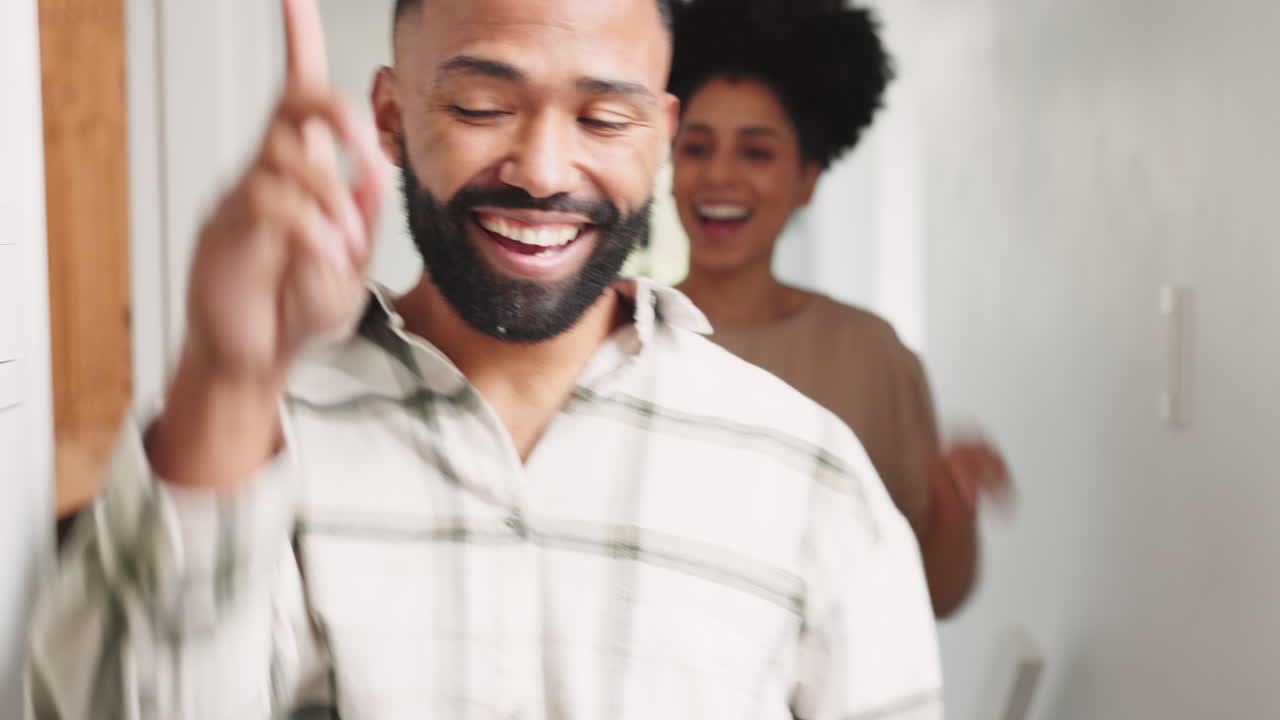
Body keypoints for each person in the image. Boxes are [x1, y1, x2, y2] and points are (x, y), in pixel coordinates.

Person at [25, 0, 942, 717]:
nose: (543, 169)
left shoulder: (809, 478)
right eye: (482, 106)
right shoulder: (245, 439)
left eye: (604, 119)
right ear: (390, 116)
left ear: (658, 134)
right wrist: (225, 377)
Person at [669, 0, 1011, 618]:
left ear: (807, 179)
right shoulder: (625, 338)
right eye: (695, 147)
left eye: (756, 152)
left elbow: (936, 596)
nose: (719, 174)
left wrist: (952, 505)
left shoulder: (873, 356)